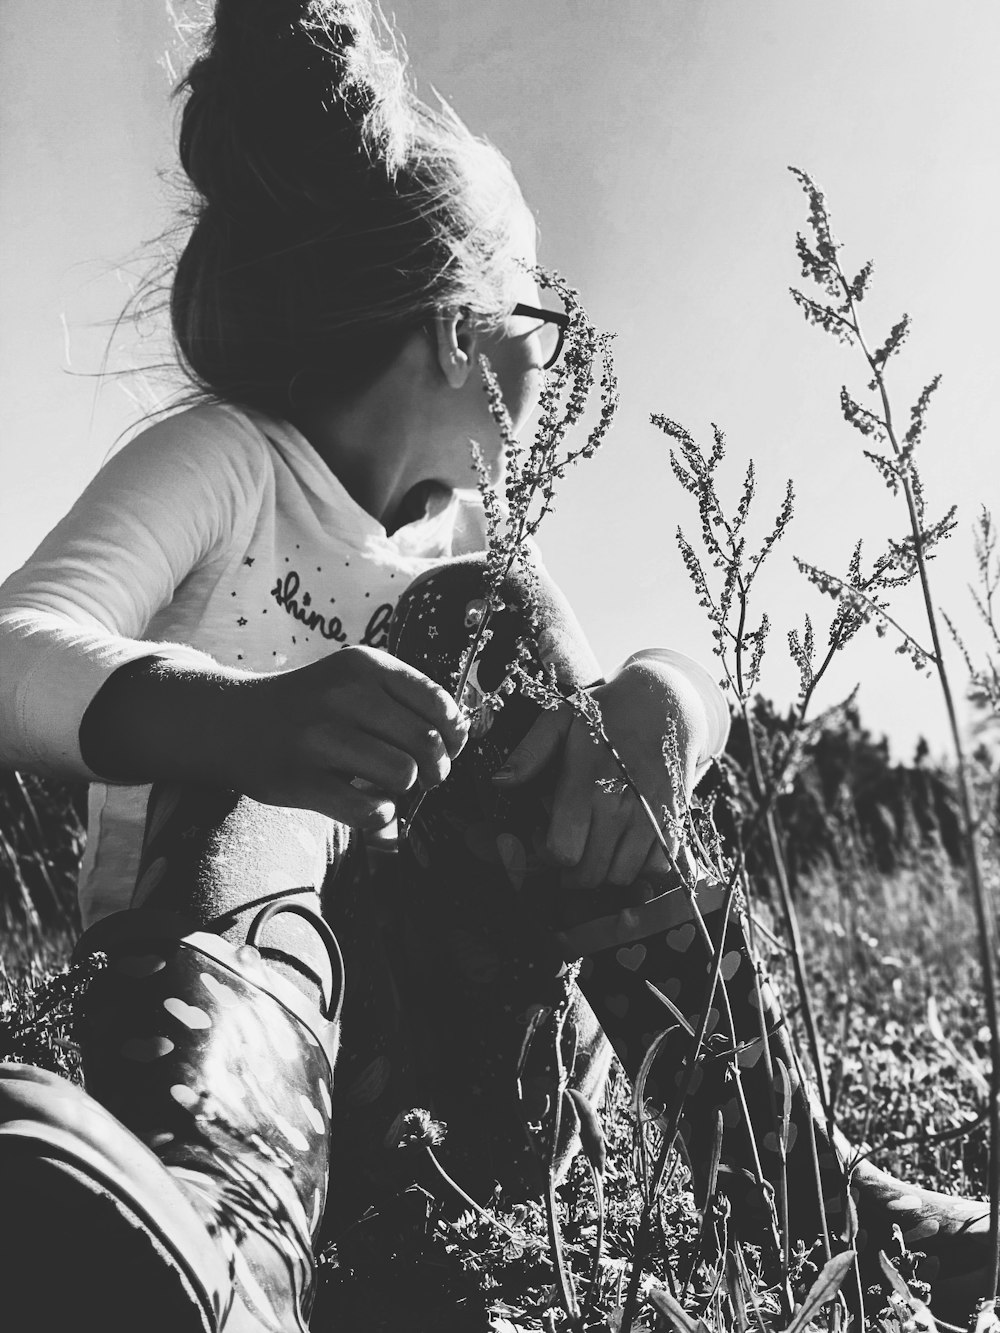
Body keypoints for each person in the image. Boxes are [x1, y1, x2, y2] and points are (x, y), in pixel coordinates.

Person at [0, 2, 988, 1329]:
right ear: (469, 332)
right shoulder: (229, 463)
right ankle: (224, 1250)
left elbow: (612, 754)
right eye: (547, 325)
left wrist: (666, 708)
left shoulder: (465, 565)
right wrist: (243, 721)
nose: (552, 370)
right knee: (287, 760)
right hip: (223, 1075)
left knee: (498, 614)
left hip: (484, 1102)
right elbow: (15, 647)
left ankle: (805, 1195)